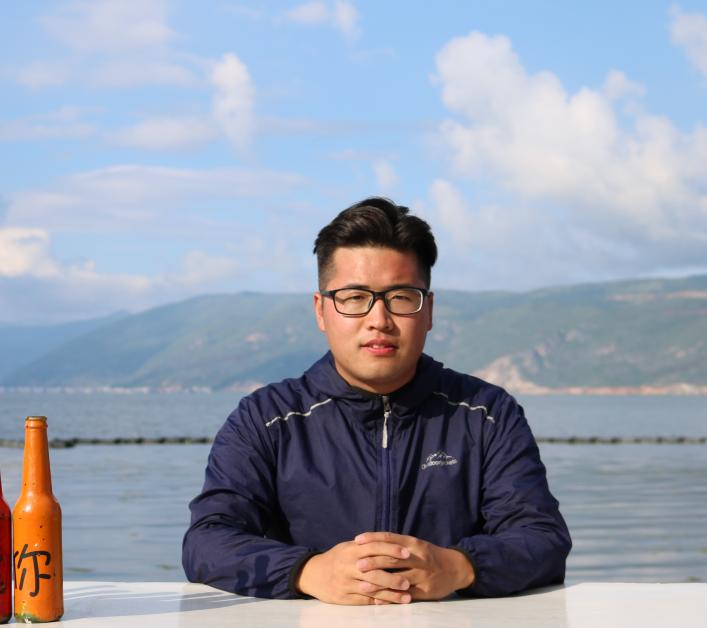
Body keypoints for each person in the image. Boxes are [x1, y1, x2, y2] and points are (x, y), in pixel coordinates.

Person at [182, 197, 571, 604]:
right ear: (321, 310)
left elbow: (542, 537)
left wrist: (457, 566)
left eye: (401, 297)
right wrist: (307, 571)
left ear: (428, 310)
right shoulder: (266, 419)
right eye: (354, 297)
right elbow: (207, 541)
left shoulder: (486, 413)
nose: (379, 320)